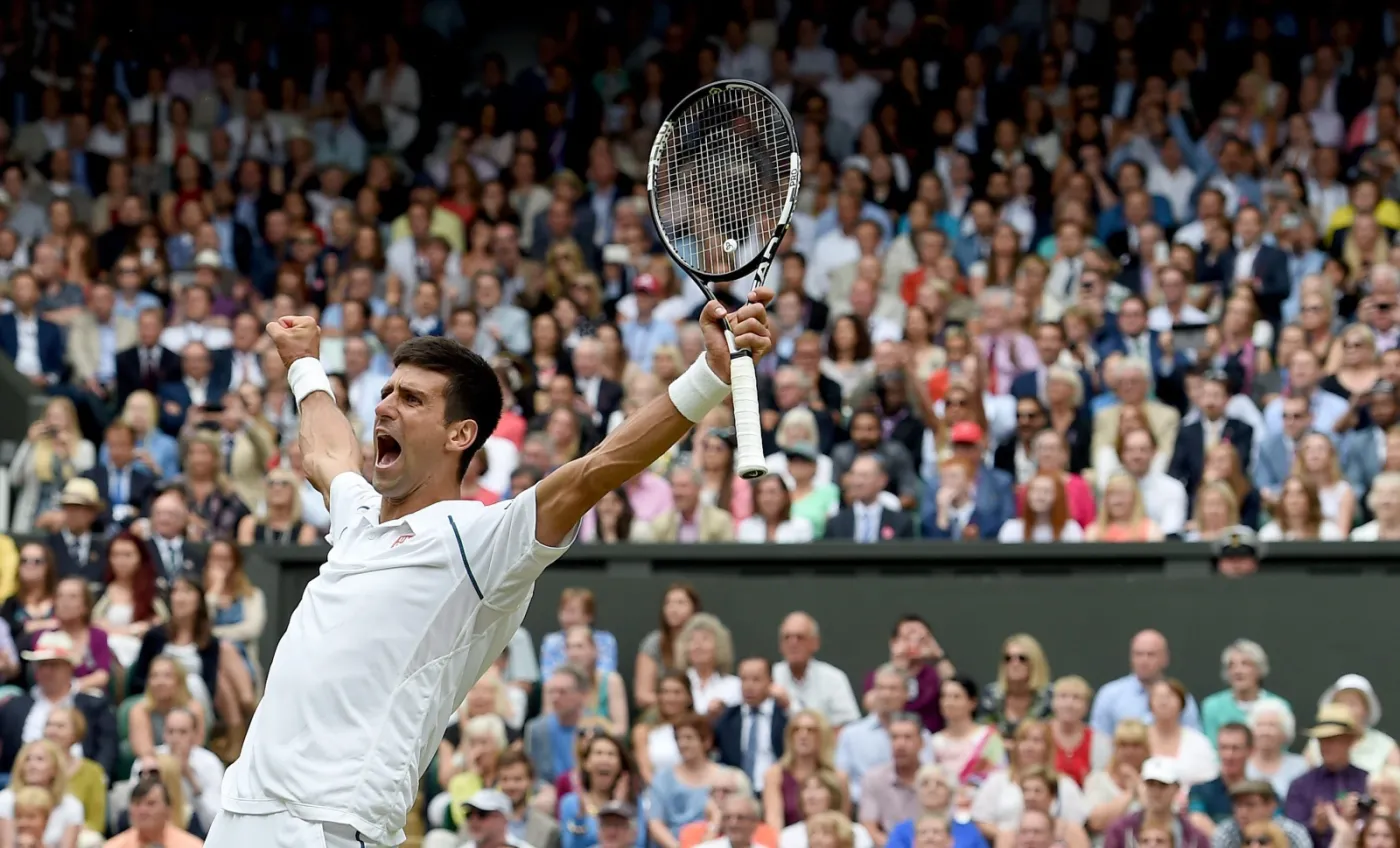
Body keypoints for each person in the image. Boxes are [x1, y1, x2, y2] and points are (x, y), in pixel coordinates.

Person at [206, 296, 774, 847]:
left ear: (461, 434)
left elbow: (595, 470)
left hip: (327, 826)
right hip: (238, 811)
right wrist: (304, 362)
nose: (383, 407)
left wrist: (710, 374)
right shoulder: (357, 519)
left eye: (410, 399)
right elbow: (326, 452)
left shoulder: (481, 540)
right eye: (385, 392)